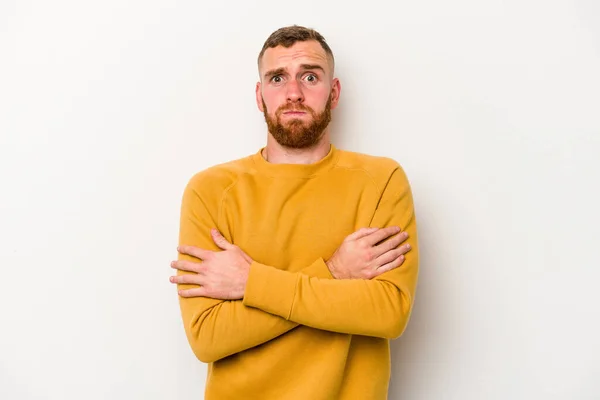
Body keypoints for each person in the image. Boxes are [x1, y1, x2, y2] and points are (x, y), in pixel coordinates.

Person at [169, 25, 419, 400]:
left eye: (310, 76)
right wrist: (334, 271)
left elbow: (387, 313)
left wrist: (250, 283)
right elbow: (208, 336)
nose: (293, 93)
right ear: (259, 95)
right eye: (277, 78)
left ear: (333, 93)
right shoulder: (211, 190)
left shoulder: (381, 181)